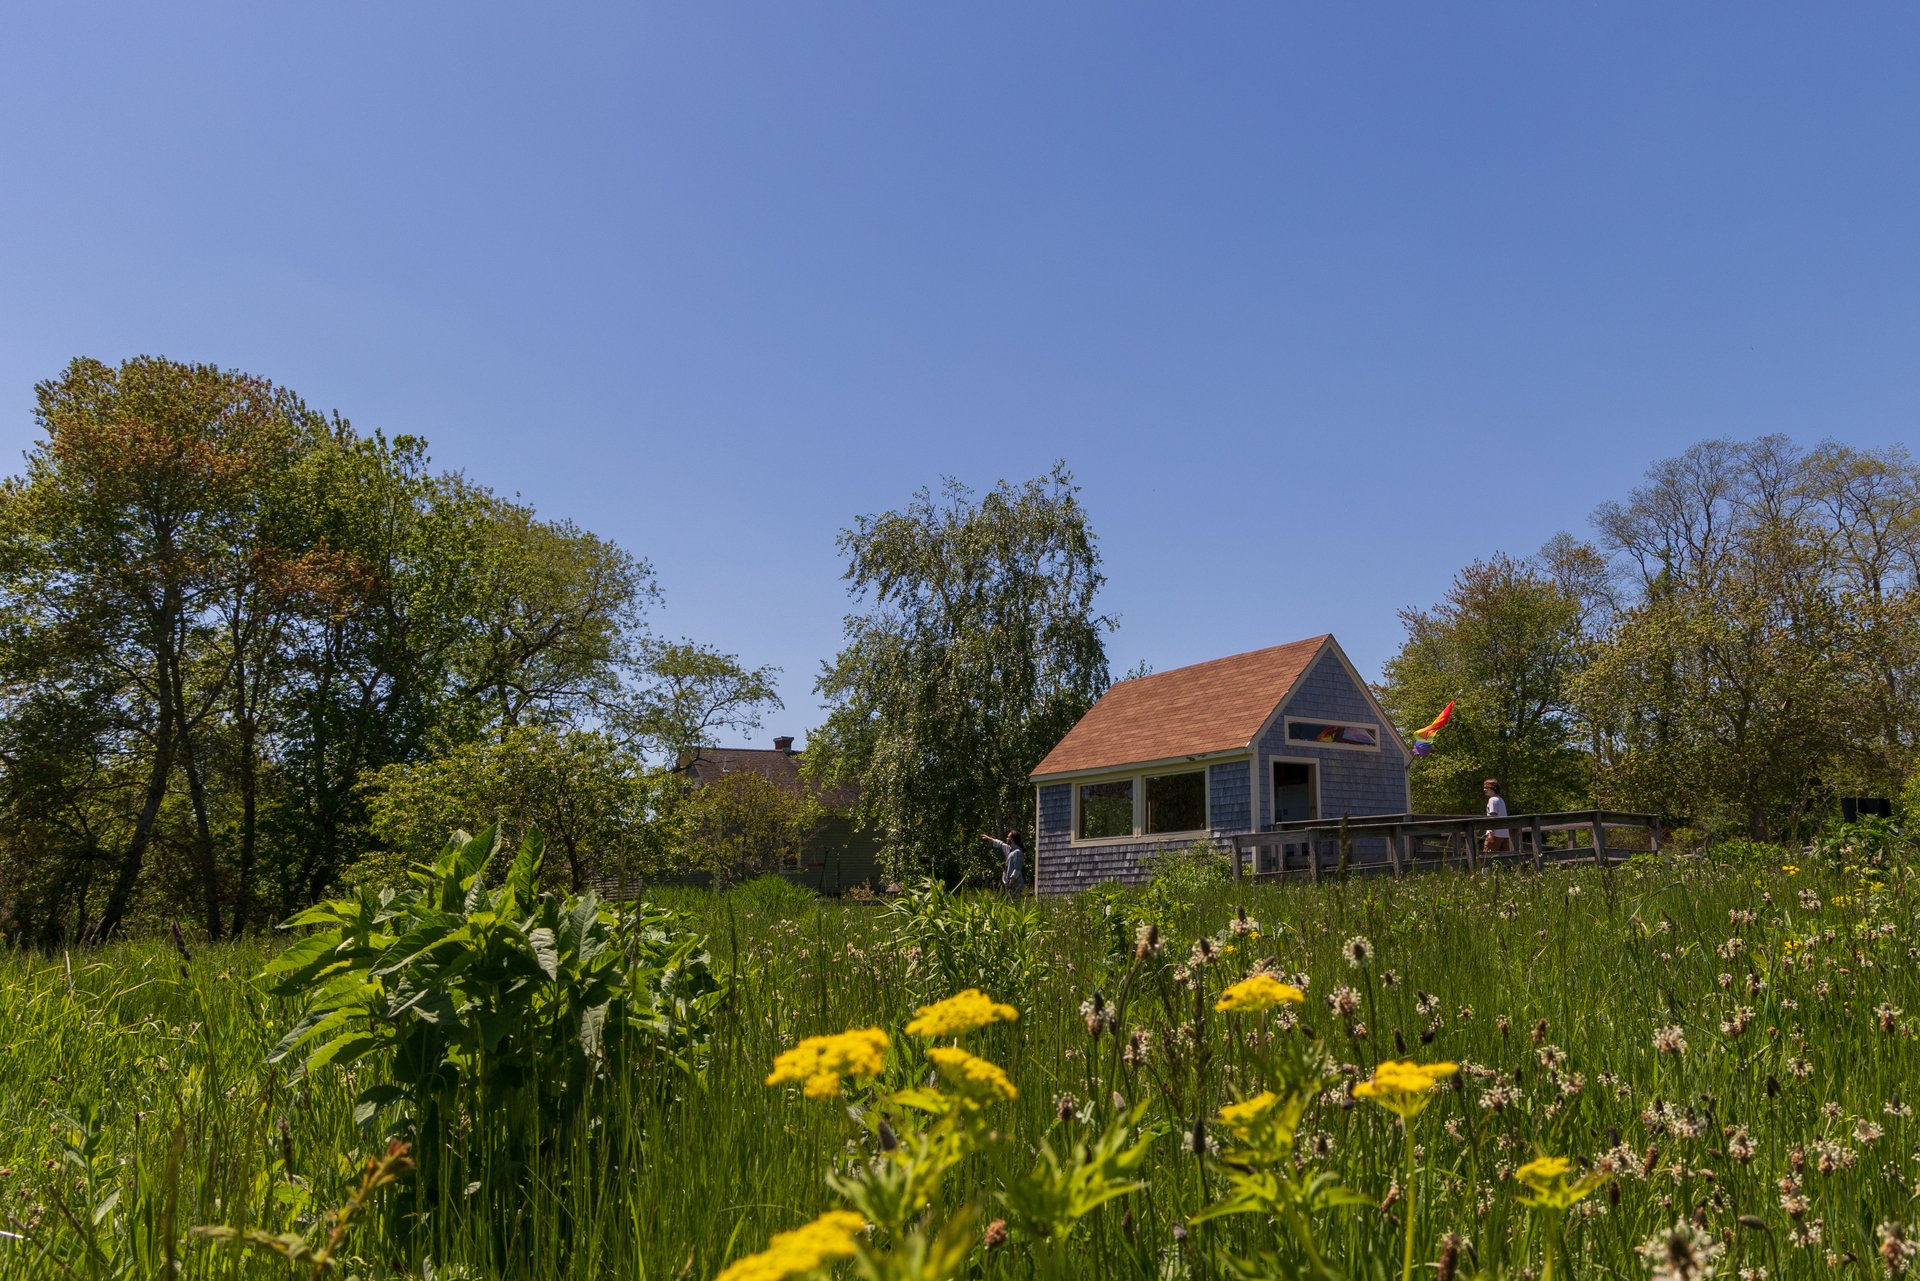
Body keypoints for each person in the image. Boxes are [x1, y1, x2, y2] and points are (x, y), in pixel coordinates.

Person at [982, 830, 1025, 895]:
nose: (1006, 838)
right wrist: (989, 838)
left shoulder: (1017, 852)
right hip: (1009, 886)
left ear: (1012, 839)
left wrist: (1010, 883)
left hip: (1015, 886)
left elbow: (1017, 870)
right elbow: (1000, 844)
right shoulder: (1010, 849)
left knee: (1015, 904)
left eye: (1008, 837)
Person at [1482, 779, 1511, 855]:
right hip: (1504, 833)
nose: (1484, 790)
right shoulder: (1501, 800)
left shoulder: (1492, 800)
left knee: (1487, 857)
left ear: (1492, 788)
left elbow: (1493, 817)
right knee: (1504, 859)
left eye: (1486, 788)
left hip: (1495, 834)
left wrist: (1490, 832)